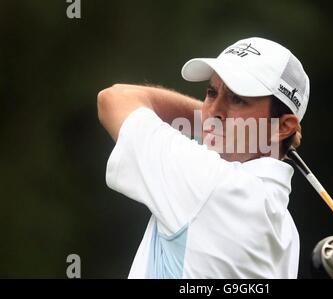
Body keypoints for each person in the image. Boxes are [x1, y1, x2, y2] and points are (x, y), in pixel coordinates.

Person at [97, 37, 310, 278]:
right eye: (211, 93)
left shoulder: (210, 183)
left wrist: (208, 121)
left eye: (237, 98)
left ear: (283, 126)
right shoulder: (286, 232)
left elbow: (114, 99)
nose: (213, 110)